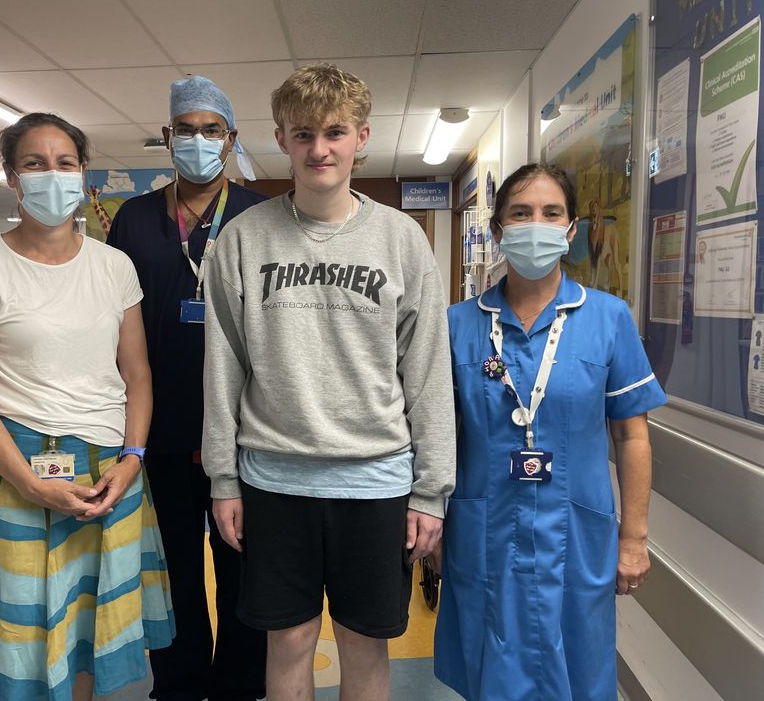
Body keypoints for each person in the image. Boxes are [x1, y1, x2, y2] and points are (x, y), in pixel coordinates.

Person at [202, 64, 455, 701]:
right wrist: (223, 478)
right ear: (282, 139)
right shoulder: (242, 240)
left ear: (361, 137)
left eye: (335, 132)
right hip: (273, 479)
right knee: (288, 642)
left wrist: (431, 492)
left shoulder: (402, 240)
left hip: (375, 479)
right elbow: (223, 366)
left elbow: (426, 372)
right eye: (304, 133)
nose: (320, 148)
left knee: (364, 646)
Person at [0, 113, 174, 701]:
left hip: (108, 471)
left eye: (65, 163)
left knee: (84, 635)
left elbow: (136, 374)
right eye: (34, 163)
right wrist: (32, 485)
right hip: (15, 470)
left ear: (83, 174)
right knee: (23, 638)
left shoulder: (113, 267)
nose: (51, 175)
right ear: (12, 178)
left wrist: (133, 458)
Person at [433, 163, 667, 700]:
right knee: (491, 665)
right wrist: (436, 523)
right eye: (520, 213)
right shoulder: (458, 325)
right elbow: (441, 433)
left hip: (576, 532)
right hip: (484, 528)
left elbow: (632, 436)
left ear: (570, 228)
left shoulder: (608, 319)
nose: (535, 224)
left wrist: (634, 538)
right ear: (497, 231)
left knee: (579, 666)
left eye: (550, 213)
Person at [108, 74, 267, 701]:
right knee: (171, 567)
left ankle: (239, 683)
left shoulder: (259, 214)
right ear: (167, 137)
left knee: (242, 566)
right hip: (162, 429)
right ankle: (176, 682)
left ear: (231, 139)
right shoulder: (135, 218)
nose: (197, 141)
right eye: (185, 131)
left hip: (245, 428)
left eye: (211, 130)